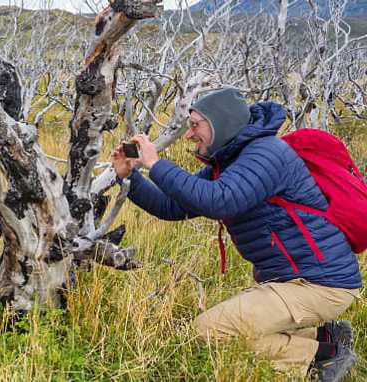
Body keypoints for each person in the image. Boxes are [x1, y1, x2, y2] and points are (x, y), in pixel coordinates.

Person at [111, 88, 362, 381]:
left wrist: (155, 164)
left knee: (210, 332)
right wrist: (129, 176)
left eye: (195, 126)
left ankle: (321, 359)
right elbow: (174, 207)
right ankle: (326, 334)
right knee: (229, 328)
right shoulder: (230, 160)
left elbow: (218, 200)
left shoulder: (267, 154)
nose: (189, 136)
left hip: (320, 284)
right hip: (297, 281)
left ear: (222, 123)